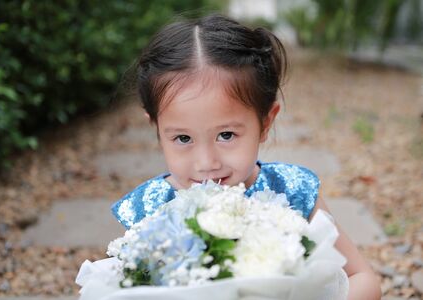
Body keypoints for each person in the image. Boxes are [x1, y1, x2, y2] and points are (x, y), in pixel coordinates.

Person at [111, 14, 381, 300]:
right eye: (183, 138)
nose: (206, 163)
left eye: (226, 135)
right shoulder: (150, 210)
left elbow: (363, 279)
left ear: (265, 123)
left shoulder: (292, 191)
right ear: (156, 128)